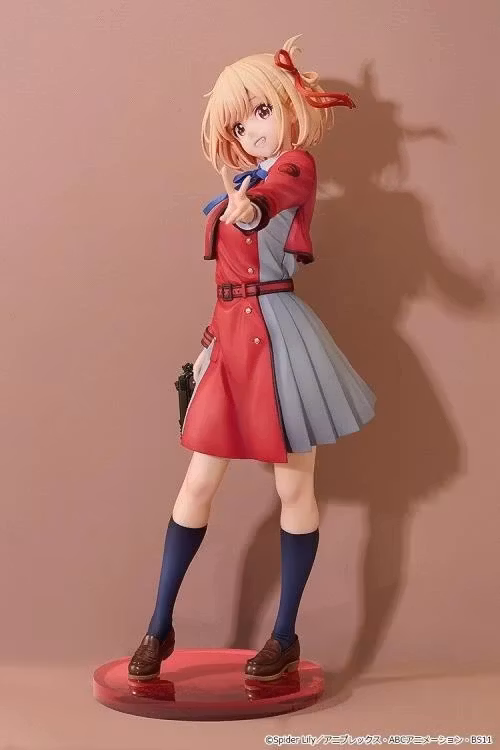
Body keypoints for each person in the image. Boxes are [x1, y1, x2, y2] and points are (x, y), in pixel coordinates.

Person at [128, 34, 376, 682]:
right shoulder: (244, 181)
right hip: (230, 339)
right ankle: (158, 626)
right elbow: (230, 268)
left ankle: (285, 633)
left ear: (287, 106)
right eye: (241, 123)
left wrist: (249, 210)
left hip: (281, 339)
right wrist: (207, 344)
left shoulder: (293, 169)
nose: (253, 130)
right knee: (196, 485)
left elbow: (277, 198)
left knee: (295, 487)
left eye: (261, 112)